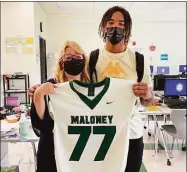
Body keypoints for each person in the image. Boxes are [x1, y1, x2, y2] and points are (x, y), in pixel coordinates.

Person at [89, 6, 153, 172]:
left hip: (131, 133)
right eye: (111, 22)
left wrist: (146, 94)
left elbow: (147, 102)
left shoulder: (138, 60)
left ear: (127, 29)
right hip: (102, 132)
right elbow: (75, 87)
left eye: (121, 24)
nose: (115, 27)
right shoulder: (93, 59)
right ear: (104, 27)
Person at [30, 40, 90, 172]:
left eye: (78, 56)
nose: (74, 60)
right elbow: (40, 125)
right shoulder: (50, 86)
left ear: (84, 60)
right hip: (52, 154)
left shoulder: (92, 88)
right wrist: (39, 94)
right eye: (68, 57)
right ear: (61, 63)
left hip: (82, 153)